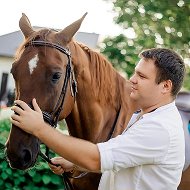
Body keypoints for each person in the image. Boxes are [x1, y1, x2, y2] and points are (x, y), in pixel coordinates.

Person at [11, 48, 186, 190]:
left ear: (165, 86)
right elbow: (121, 160)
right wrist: (75, 164)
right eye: (135, 73)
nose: (132, 80)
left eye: (142, 76)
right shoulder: (145, 116)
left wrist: (39, 128)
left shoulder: (159, 128)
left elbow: (96, 159)